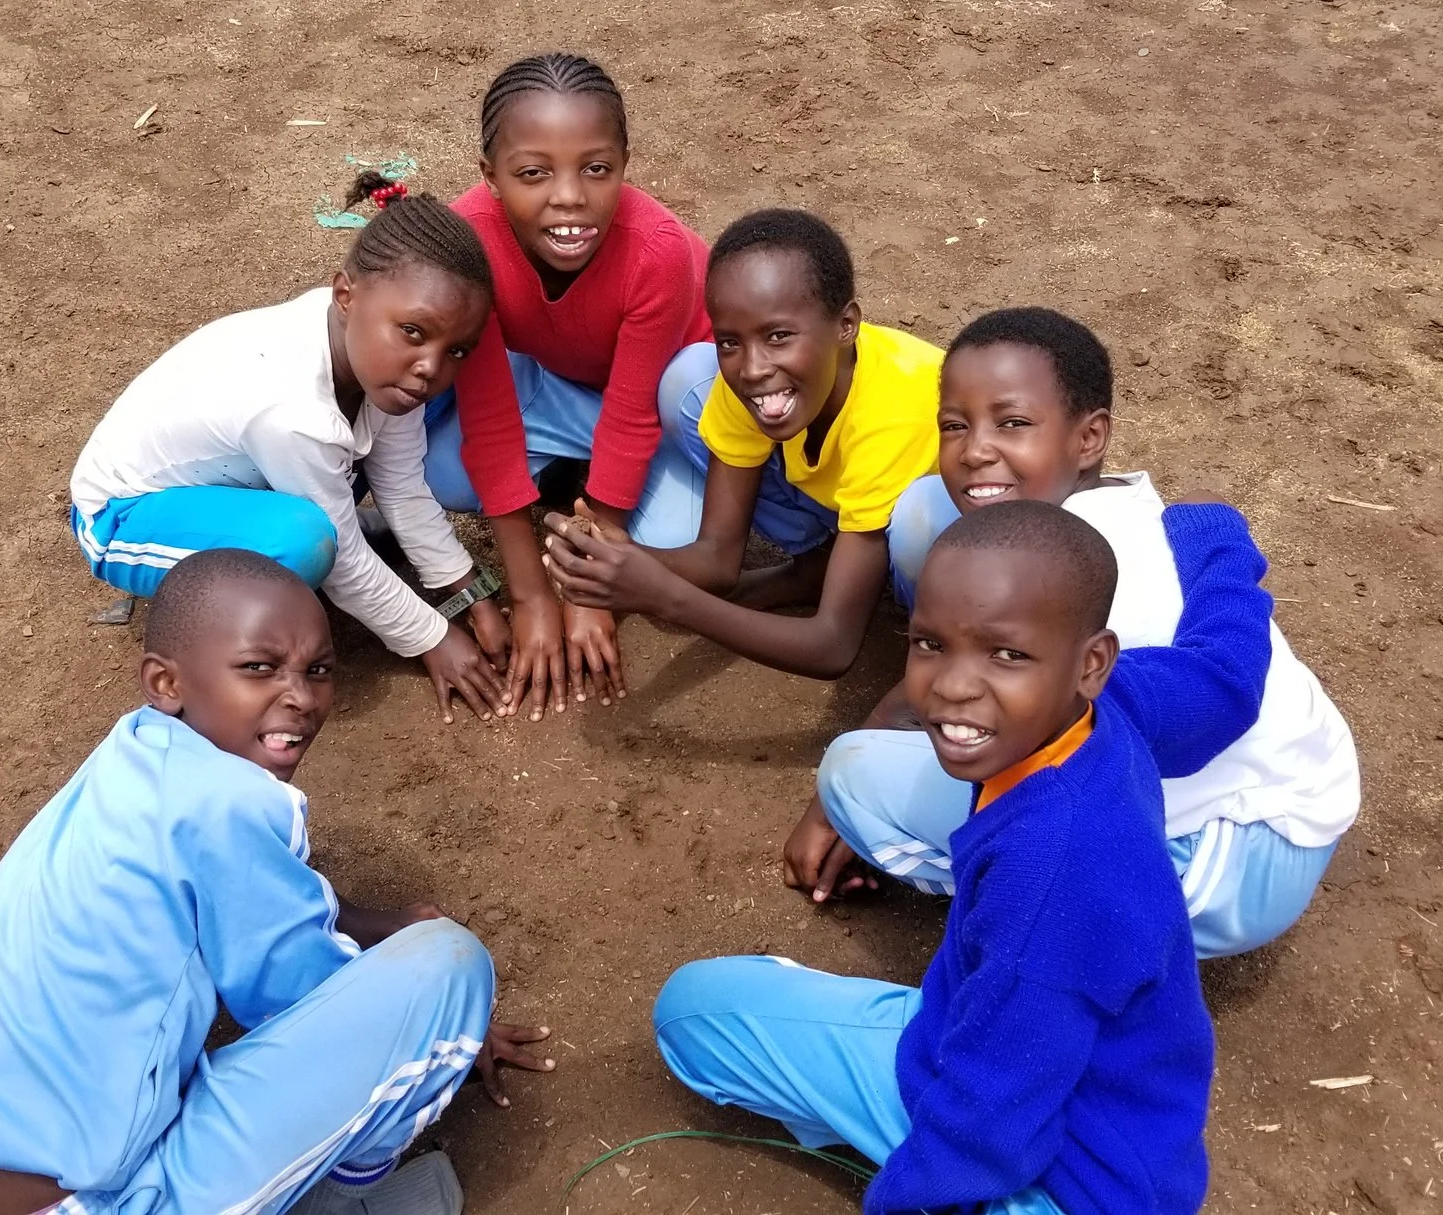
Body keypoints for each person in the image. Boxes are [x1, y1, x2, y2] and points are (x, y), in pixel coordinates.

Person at [0, 550, 554, 1215]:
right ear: (166, 681)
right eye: (259, 667)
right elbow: (306, 997)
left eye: (318, 669)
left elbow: (245, 880)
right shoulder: (228, 803)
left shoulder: (138, 754)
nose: (299, 695)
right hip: (83, 1204)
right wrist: (446, 1027)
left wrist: (379, 923)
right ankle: (344, 1201)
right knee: (448, 964)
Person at [656, 500, 1276, 1215]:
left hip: (1067, 1180)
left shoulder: (1048, 869)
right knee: (692, 1012)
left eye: (1006, 653)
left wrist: (901, 1198)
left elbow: (992, 1121)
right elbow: (1226, 674)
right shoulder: (1108, 704)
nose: (952, 683)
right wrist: (1219, 542)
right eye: (930, 643)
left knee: (695, 1022)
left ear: (1092, 662)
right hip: (1050, 1094)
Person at [787, 308, 1361, 958]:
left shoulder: (1086, 591)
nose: (975, 448)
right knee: (925, 510)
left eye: (1012, 423)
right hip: (1294, 781)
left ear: (1088, 439)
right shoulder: (1114, 511)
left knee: (853, 774)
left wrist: (832, 805)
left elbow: (993, 721)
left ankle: (1040, 912)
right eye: (955, 425)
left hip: (1228, 857)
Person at [67, 171, 513, 726]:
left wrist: (469, 592)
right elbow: (344, 562)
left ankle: (292, 535)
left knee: (339, 505)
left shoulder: (380, 358)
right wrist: (433, 637)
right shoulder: (291, 408)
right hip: (123, 516)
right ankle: (207, 588)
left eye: (458, 352)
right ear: (345, 293)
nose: (431, 368)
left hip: (237, 479)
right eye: (415, 333)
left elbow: (402, 485)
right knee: (305, 545)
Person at [421, 51, 723, 719]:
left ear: (623, 165)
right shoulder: (467, 244)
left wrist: (588, 588)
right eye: (533, 173)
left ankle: (592, 494)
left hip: (669, 399)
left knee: (671, 545)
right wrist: (530, 595)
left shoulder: (657, 251)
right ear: (491, 177)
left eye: (597, 169)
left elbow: (635, 410)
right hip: (560, 385)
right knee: (445, 471)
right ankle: (575, 482)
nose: (569, 197)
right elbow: (490, 413)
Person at [537, 209, 943, 680]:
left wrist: (666, 597)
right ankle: (821, 565)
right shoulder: (759, 384)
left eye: (778, 336)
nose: (752, 367)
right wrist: (620, 556)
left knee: (917, 519)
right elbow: (717, 557)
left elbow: (833, 647)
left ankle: (933, 639)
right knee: (689, 376)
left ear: (846, 325)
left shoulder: (892, 410)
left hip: (946, 548)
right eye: (729, 341)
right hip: (853, 505)